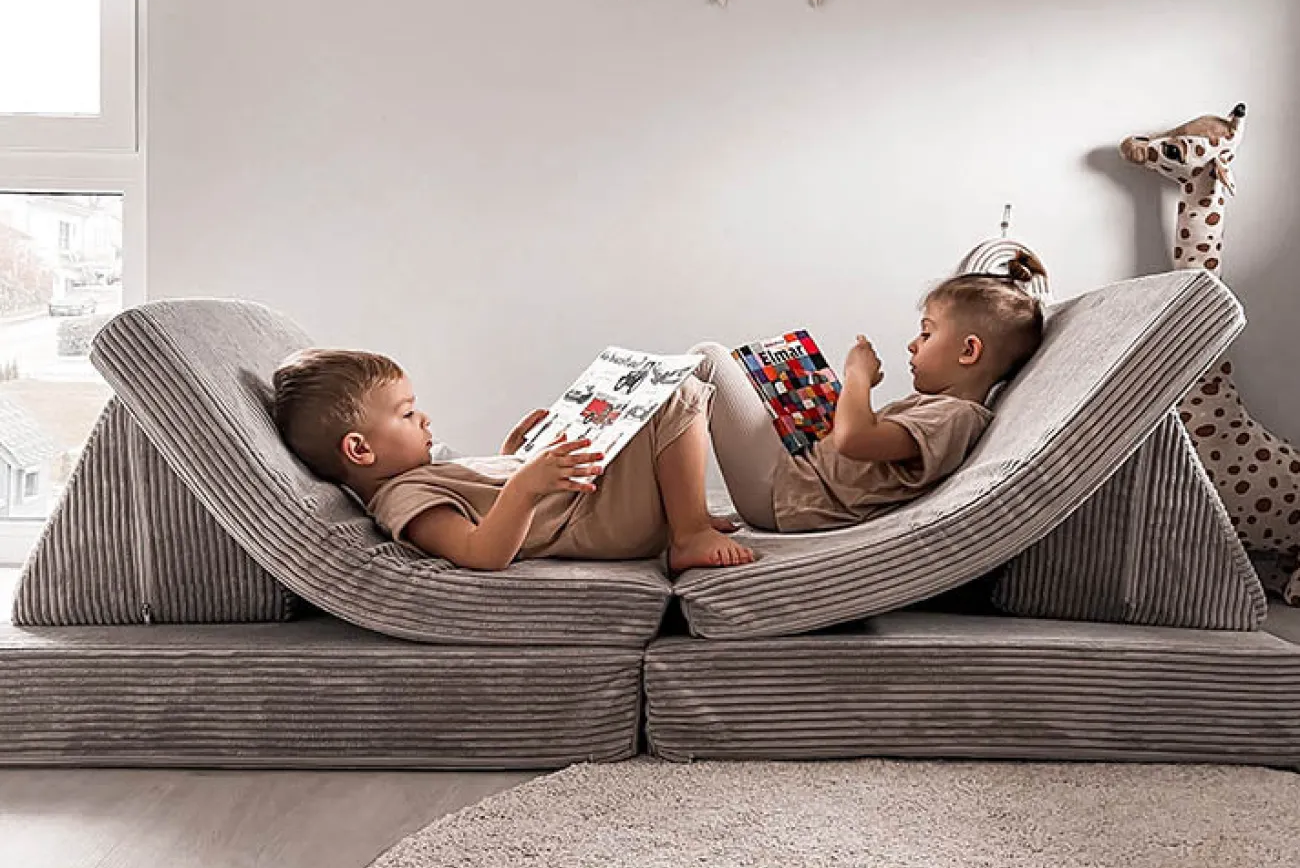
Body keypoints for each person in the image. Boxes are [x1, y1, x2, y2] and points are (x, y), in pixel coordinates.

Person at [271, 350, 755, 573]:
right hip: (592, 522)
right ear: (360, 450)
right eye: (406, 413)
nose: (424, 418)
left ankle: (682, 512)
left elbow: (483, 501)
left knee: (688, 366)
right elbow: (481, 551)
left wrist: (511, 460)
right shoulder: (401, 499)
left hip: (583, 505)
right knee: (676, 390)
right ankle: (689, 533)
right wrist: (525, 483)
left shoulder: (416, 475)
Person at [691, 269, 1045, 533]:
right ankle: (686, 518)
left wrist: (857, 375)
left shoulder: (955, 418)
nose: (913, 345)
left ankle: (687, 525)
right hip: (794, 483)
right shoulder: (941, 409)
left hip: (785, 495)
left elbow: (854, 439)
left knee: (708, 360)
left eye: (926, 333)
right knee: (731, 375)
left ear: (968, 351)